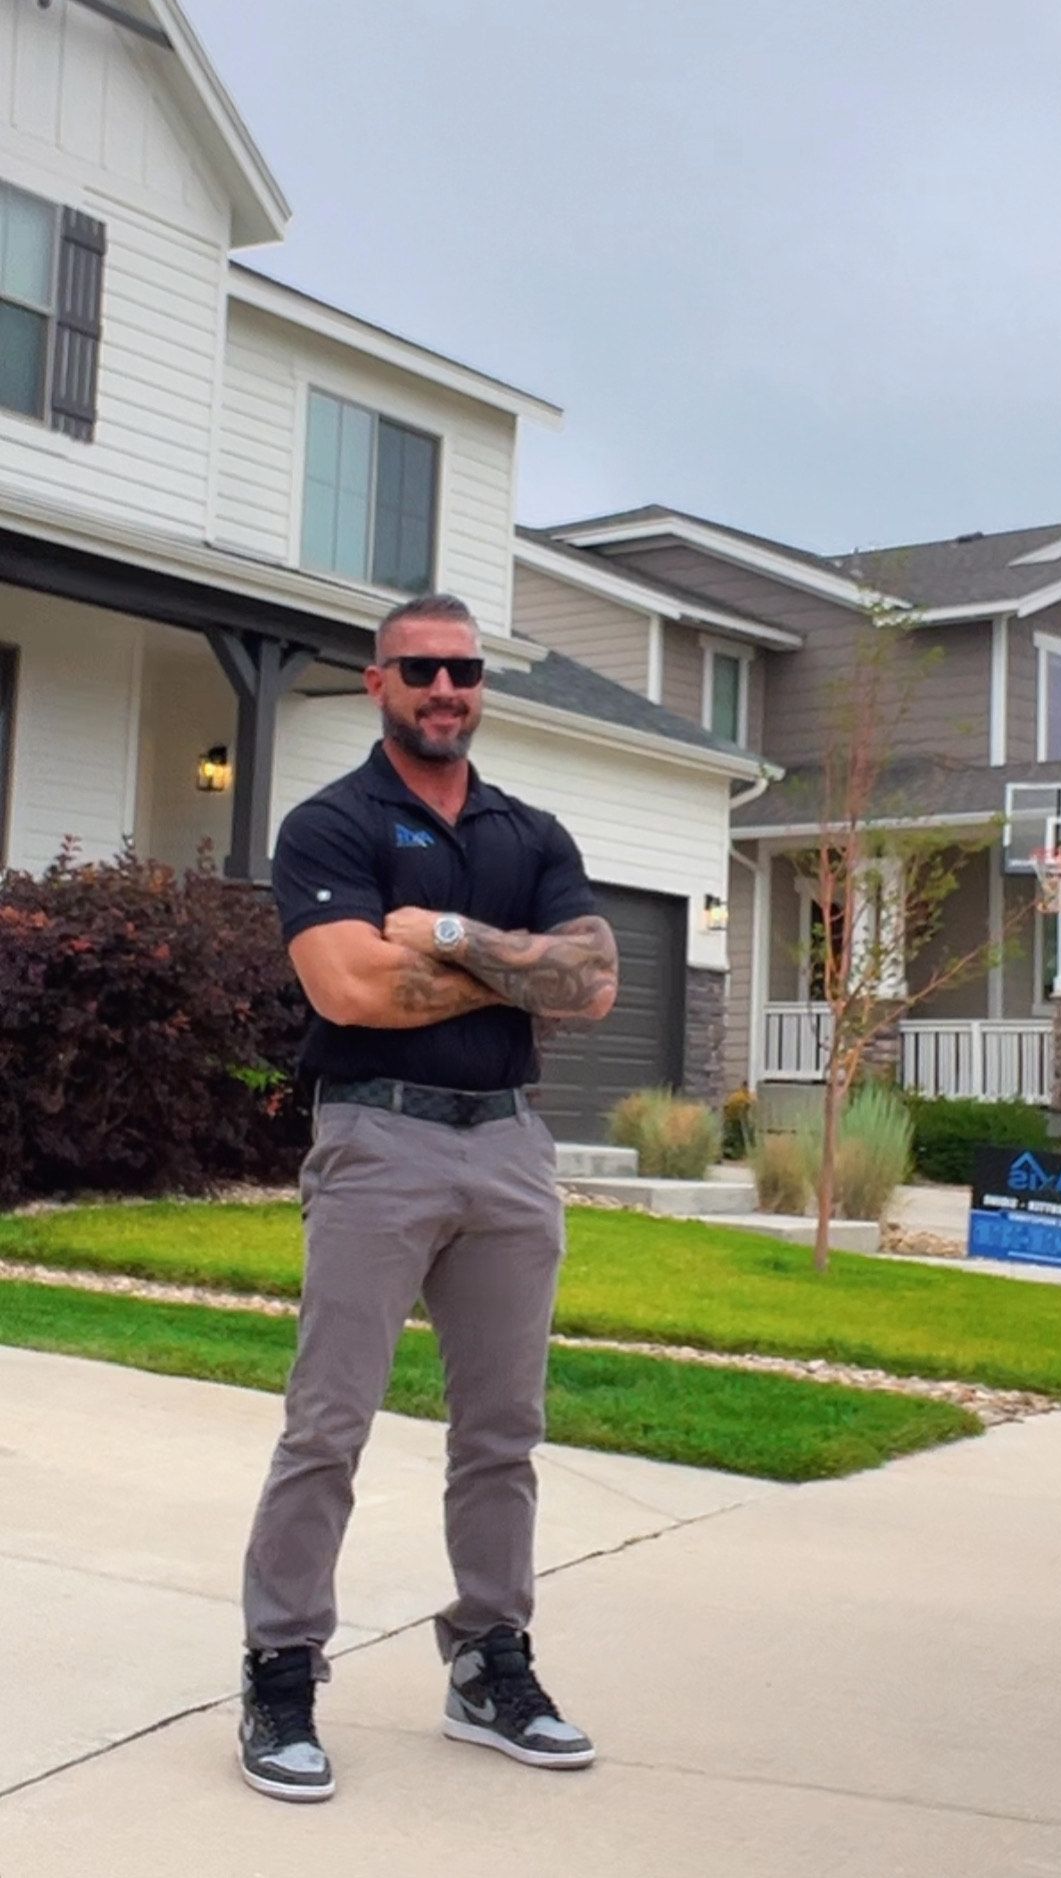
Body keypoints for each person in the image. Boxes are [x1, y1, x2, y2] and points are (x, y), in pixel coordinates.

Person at [237, 591, 619, 1803]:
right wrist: (517, 966)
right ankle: (280, 1670)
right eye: (420, 670)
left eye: (463, 669)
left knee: (503, 1432)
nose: (445, 689)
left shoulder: (529, 831)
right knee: (328, 1424)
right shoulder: (330, 824)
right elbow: (352, 991)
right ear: (378, 683)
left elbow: (595, 985)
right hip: (378, 1136)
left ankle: (489, 1663)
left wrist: (448, 934)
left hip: (508, 1145)